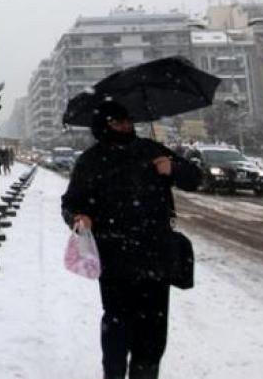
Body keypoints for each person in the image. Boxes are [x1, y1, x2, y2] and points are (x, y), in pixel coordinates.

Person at [61, 101, 202, 379]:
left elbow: (195, 179)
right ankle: (113, 373)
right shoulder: (91, 160)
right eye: (117, 122)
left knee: (153, 330)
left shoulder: (151, 150)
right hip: (114, 258)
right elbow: (71, 203)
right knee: (117, 325)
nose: (125, 127)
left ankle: (145, 373)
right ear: (103, 126)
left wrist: (173, 168)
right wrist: (78, 218)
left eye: (127, 121)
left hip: (155, 257)